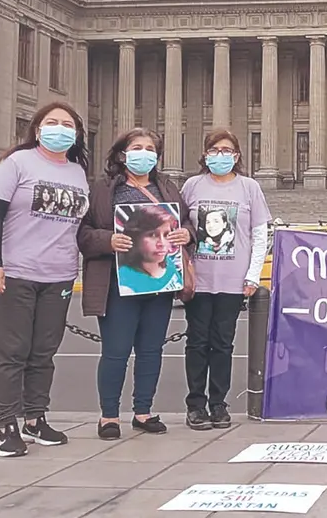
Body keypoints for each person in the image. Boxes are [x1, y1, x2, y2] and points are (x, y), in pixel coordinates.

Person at [0, 101, 90, 457]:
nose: (60, 129)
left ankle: (35, 418)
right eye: (52, 122)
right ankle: (6, 424)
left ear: (75, 135)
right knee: (10, 353)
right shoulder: (15, 164)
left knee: (43, 352)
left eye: (68, 124)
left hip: (58, 275)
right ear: (38, 129)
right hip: (15, 272)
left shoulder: (77, 172)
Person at [77, 128, 194, 440]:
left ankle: (143, 411)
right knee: (116, 351)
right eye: (137, 147)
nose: (145, 153)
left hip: (159, 281)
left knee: (151, 350)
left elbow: (187, 224)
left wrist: (187, 234)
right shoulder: (103, 190)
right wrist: (108, 240)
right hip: (119, 283)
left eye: (150, 148)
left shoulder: (166, 187)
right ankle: (109, 416)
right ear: (121, 154)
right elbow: (83, 233)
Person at [181, 129, 271, 430]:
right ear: (206, 154)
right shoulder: (192, 186)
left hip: (233, 282)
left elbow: (260, 235)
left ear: (237, 156)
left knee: (223, 344)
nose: (221, 155)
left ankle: (219, 404)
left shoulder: (249, 188)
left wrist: (253, 275)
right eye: (215, 150)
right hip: (198, 279)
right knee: (197, 342)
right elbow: (180, 228)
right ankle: (196, 404)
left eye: (227, 151)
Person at [115, 204, 185, 295]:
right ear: (135, 238)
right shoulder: (127, 282)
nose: (162, 243)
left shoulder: (168, 263)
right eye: (153, 235)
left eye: (166, 234)